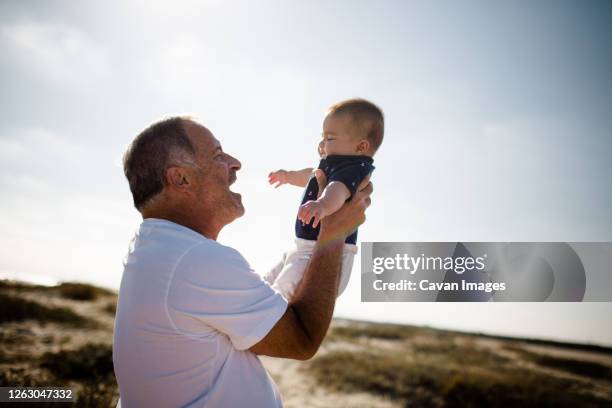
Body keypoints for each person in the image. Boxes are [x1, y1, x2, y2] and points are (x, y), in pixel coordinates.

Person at [112, 116, 372, 407]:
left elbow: (257, 318)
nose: (235, 163)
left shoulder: (155, 248)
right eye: (218, 155)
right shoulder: (195, 260)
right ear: (181, 178)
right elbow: (302, 339)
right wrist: (334, 234)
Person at [266, 99, 384, 299]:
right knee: (269, 280)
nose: (322, 144)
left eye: (329, 138)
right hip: (306, 245)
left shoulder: (353, 169)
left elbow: (337, 189)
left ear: (360, 146)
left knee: (283, 290)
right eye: (322, 137)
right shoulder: (334, 165)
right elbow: (312, 175)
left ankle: (268, 320)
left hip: (325, 251)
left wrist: (322, 205)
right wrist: (287, 176)